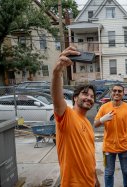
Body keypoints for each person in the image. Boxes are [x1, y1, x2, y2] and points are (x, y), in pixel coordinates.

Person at [51, 46, 100, 187]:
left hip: (90, 182)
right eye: (85, 94)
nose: (89, 98)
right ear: (75, 98)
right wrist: (57, 72)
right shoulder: (66, 115)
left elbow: (90, 156)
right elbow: (56, 98)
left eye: (92, 96)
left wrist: (96, 180)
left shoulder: (87, 123)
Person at [94, 84, 127, 187]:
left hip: (124, 146)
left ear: (123, 94)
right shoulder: (104, 107)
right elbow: (95, 124)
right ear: (111, 92)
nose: (117, 93)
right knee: (108, 173)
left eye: (119, 91)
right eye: (114, 91)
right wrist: (102, 119)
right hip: (108, 147)